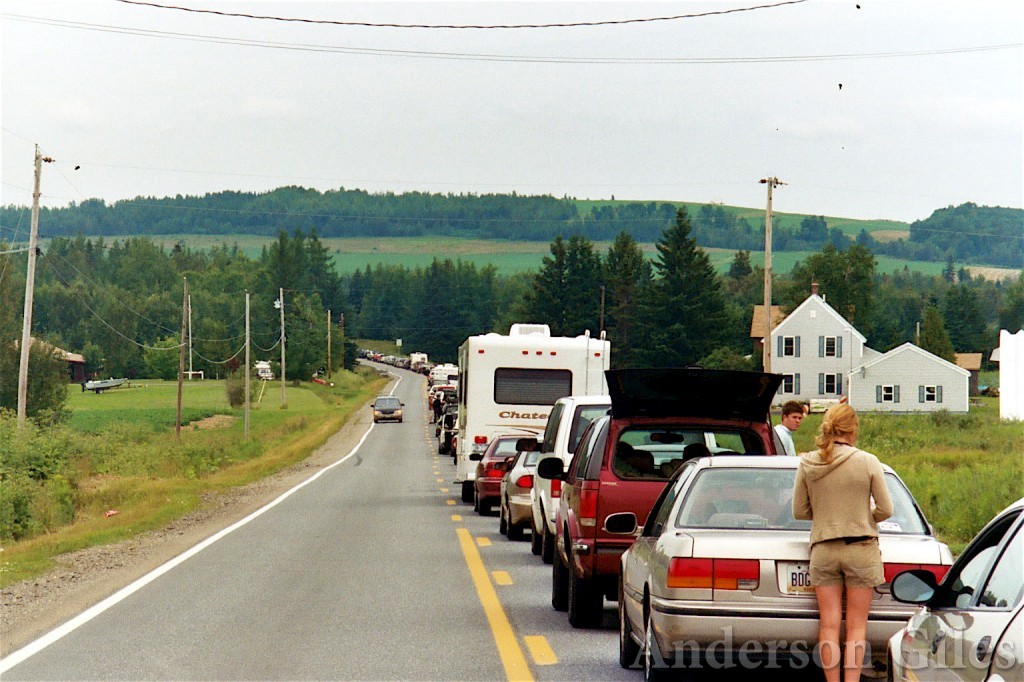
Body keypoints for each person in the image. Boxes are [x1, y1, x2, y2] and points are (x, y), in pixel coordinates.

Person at [791, 403, 893, 682]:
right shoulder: (868, 461)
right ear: (852, 430)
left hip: (823, 548)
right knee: (857, 626)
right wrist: (864, 516)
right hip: (860, 548)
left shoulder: (808, 462)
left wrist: (827, 514)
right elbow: (886, 509)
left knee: (829, 625)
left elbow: (799, 511)